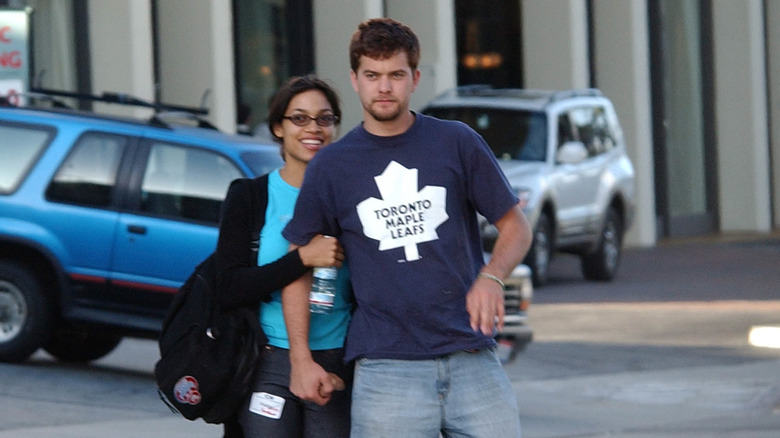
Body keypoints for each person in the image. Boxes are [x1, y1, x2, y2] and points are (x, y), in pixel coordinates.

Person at [282, 18, 532, 438]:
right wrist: (300, 359)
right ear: (355, 80)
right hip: (386, 367)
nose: (384, 88)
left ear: (415, 78)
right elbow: (297, 264)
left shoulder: (456, 141)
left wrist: (492, 276)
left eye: (396, 75)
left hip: (471, 356)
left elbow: (515, 225)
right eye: (372, 76)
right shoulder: (332, 166)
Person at [215, 75, 353, 438]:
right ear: (278, 127)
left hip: (337, 360)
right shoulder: (251, 197)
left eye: (325, 119)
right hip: (268, 358)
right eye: (299, 118)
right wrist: (302, 258)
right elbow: (228, 287)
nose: (314, 129)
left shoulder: (353, 199)